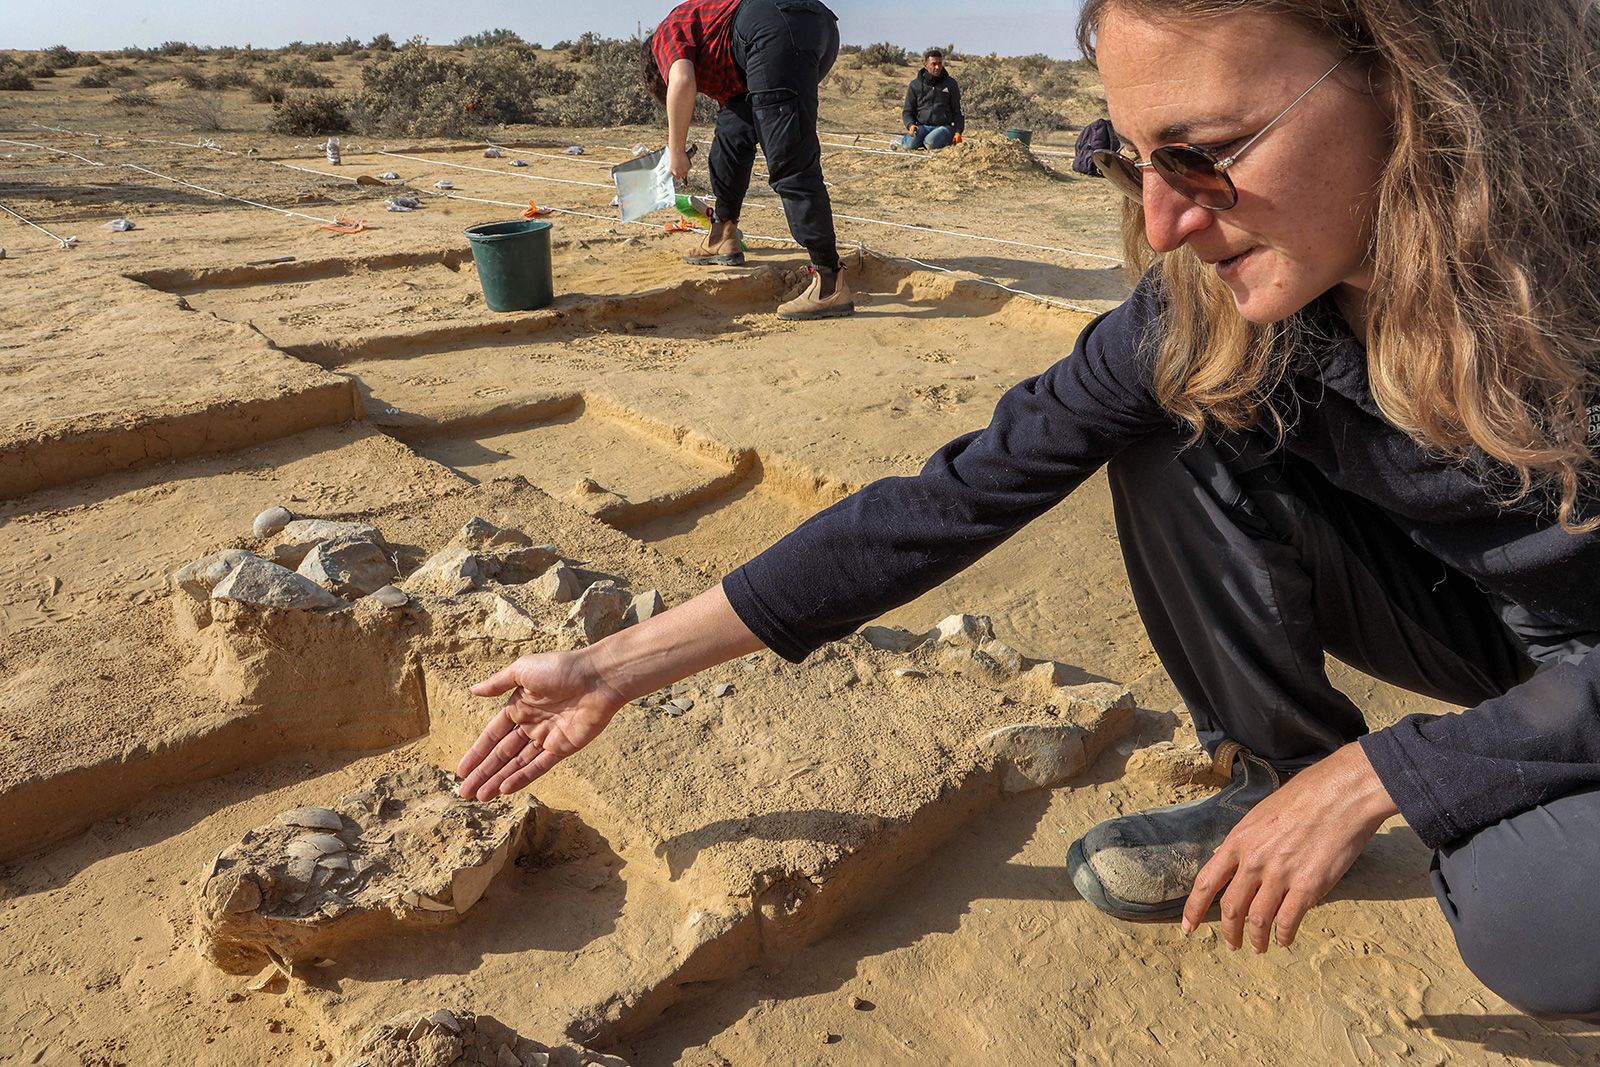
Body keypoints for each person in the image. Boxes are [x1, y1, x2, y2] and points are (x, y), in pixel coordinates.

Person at [464, 0, 1600, 1021]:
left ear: (1408, 78)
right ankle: (1274, 774)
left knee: (1528, 921)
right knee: (1174, 420)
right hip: (1501, 634)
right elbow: (953, 494)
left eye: (1205, 157)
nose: (1162, 225)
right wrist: (617, 665)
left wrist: (1398, 774)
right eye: (1134, 160)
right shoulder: (1217, 305)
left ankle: (1395, 782)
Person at [642, 0, 854, 321]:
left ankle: (829, 284)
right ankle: (722, 236)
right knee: (731, 134)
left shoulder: (666, 34)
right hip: (809, 28)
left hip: (777, 30)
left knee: (788, 154)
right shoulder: (713, 39)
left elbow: (682, 81)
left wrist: (675, 149)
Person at [900, 49, 965, 150]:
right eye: (934, 64)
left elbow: (959, 111)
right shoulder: (915, 85)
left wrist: (958, 132)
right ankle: (917, 140)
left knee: (930, 143)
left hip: (943, 128)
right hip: (922, 127)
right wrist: (910, 125)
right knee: (909, 145)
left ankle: (933, 141)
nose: (937, 67)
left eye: (939, 63)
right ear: (926, 65)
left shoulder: (951, 84)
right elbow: (907, 111)